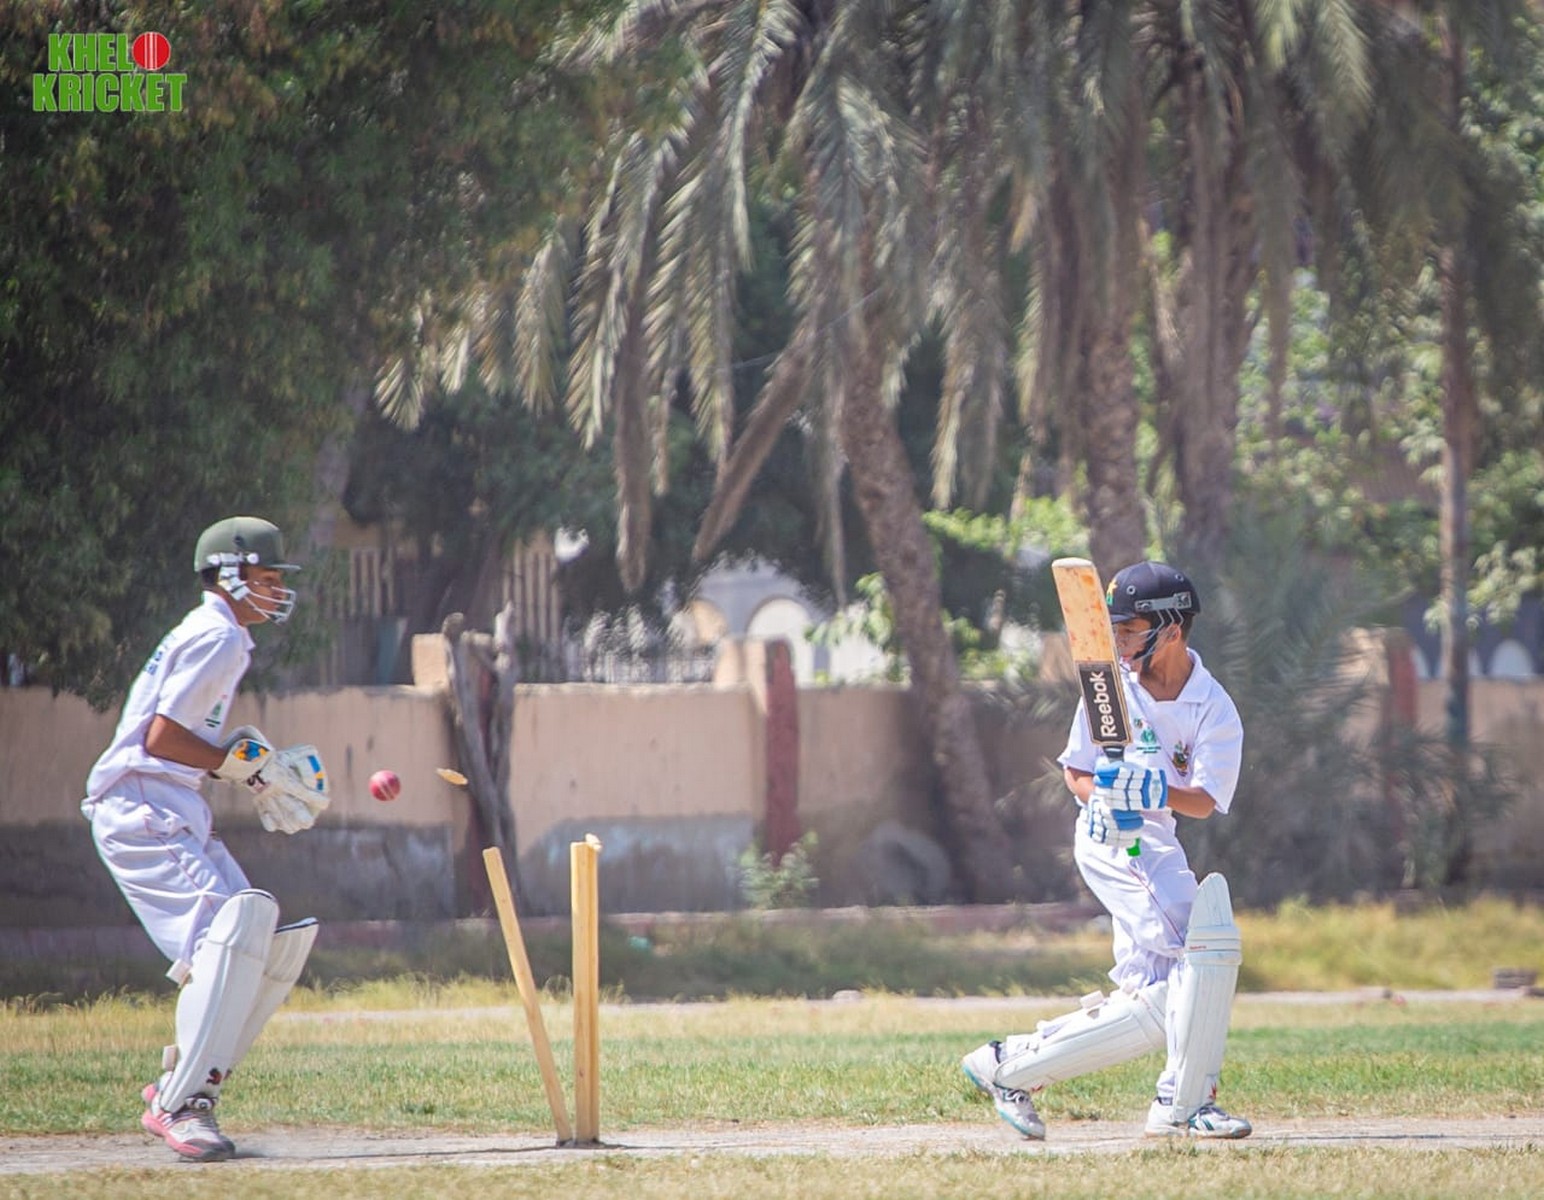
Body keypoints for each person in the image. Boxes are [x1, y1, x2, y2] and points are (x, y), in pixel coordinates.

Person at [962, 560, 1251, 1140]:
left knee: (1160, 1000)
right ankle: (1184, 1103)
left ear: (1171, 629)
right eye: (1112, 630)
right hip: (1110, 838)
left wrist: (1152, 789)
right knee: (1205, 944)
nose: (1116, 642)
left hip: (1155, 836)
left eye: (1129, 630)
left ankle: (1008, 1065)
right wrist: (1103, 797)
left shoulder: (1213, 708)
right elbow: (1077, 772)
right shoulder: (1110, 687)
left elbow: (1202, 801)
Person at [81, 516, 331, 1162]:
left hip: (170, 804)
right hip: (143, 807)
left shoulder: (220, 635)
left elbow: (179, 737)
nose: (276, 590)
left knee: (261, 940)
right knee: (228, 936)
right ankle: (181, 1105)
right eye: (266, 577)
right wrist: (230, 764)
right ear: (229, 574)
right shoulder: (217, 635)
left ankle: (181, 1084)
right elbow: (161, 738)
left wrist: (241, 766)